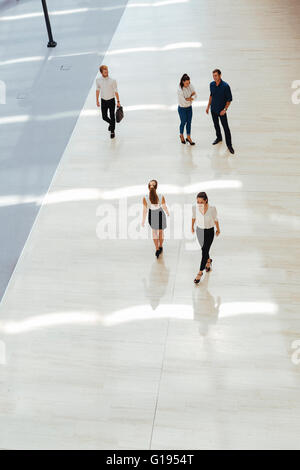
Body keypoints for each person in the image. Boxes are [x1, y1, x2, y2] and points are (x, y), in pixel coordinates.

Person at [191, 191, 220, 283]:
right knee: (204, 249)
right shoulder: (195, 207)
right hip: (199, 231)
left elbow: (215, 219)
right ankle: (208, 262)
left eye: (201, 202)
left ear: (206, 200)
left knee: (204, 251)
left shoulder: (212, 208)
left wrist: (218, 229)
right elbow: (193, 217)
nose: (199, 204)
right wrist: (191, 226)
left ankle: (199, 273)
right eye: (198, 202)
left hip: (209, 231)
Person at [206, 69, 234, 154]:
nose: (214, 77)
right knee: (216, 125)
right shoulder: (211, 84)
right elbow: (211, 96)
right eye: (213, 75)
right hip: (213, 109)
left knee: (226, 128)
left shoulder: (225, 86)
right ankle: (219, 138)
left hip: (222, 111)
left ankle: (229, 145)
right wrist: (208, 107)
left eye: (216, 75)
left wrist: (225, 109)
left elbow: (229, 100)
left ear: (220, 75)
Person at [142, 180, 169, 258]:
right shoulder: (161, 196)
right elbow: (164, 207)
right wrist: (167, 212)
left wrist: (143, 220)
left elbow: (145, 210)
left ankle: (157, 249)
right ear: (156, 187)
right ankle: (160, 246)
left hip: (152, 214)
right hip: (160, 214)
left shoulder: (145, 197)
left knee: (154, 232)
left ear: (148, 187)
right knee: (161, 232)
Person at [96, 65, 121, 139]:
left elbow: (116, 91)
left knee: (112, 116)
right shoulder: (98, 80)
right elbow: (97, 90)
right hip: (103, 100)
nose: (106, 72)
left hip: (111, 100)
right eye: (104, 71)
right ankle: (111, 123)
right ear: (101, 72)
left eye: (107, 70)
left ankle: (112, 131)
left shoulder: (113, 80)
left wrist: (118, 101)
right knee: (104, 117)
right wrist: (97, 100)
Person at [178, 74, 197, 145]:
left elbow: (195, 95)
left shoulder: (190, 85)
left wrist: (190, 98)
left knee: (189, 122)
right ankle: (181, 135)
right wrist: (191, 97)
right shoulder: (179, 90)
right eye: (186, 83)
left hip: (189, 108)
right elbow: (184, 101)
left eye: (189, 83)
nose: (188, 84)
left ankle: (188, 137)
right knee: (183, 122)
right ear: (183, 82)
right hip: (182, 108)